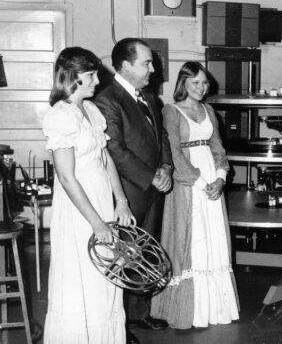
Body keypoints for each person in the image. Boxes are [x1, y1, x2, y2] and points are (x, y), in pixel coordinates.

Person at [42, 47, 135, 343]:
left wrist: (120, 200)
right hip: (79, 210)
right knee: (84, 277)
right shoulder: (60, 115)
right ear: (72, 77)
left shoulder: (92, 111)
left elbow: (105, 160)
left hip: (102, 202)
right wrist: (96, 223)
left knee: (108, 276)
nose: (97, 80)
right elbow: (67, 178)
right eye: (91, 74)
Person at [94, 38, 172, 344]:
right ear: (125, 66)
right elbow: (114, 148)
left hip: (153, 187)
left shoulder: (150, 96)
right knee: (125, 255)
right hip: (127, 192)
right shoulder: (107, 98)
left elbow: (161, 136)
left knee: (146, 254)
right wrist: (150, 176)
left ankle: (140, 313)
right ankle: (120, 325)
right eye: (147, 63)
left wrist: (165, 168)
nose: (153, 68)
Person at [150, 61, 239, 329]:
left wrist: (220, 179)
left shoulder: (209, 110)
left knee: (213, 238)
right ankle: (189, 310)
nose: (202, 88)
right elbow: (175, 153)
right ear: (183, 84)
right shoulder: (171, 111)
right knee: (192, 239)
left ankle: (214, 308)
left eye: (204, 83)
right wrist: (201, 183)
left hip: (212, 179)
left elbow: (218, 148)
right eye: (195, 83)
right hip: (189, 184)